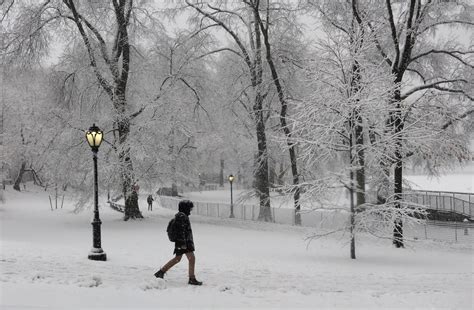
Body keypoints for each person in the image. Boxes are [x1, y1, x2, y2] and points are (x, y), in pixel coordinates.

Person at [154, 200, 203, 285]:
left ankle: (161, 272)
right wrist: (183, 244)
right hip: (184, 243)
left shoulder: (182, 216)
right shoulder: (181, 217)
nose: (190, 211)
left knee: (178, 259)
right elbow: (181, 231)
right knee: (191, 258)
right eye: (190, 209)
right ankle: (191, 278)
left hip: (184, 242)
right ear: (186, 208)